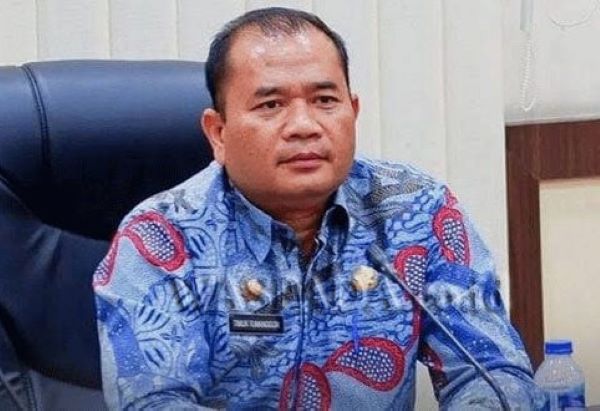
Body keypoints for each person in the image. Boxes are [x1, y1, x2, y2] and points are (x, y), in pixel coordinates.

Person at [94, 7, 545, 410]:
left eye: (325, 101)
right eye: (271, 104)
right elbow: (154, 402)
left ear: (353, 111)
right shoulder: (160, 237)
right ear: (219, 133)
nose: (304, 126)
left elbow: (493, 371)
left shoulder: (417, 211)